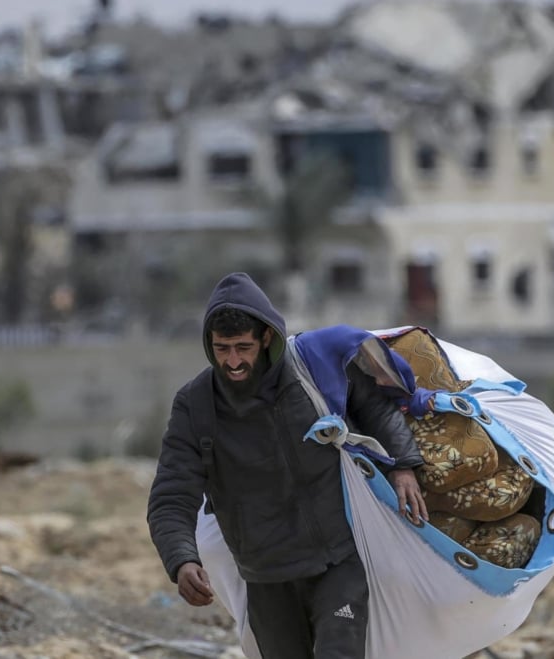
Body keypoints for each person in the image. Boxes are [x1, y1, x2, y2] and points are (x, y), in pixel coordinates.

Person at [148, 272, 428, 658]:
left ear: (266, 338)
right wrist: (181, 560)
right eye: (222, 348)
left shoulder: (309, 372)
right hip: (266, 579)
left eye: (243, 347)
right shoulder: (195, 406)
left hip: (336, 563)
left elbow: (374, 407)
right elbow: (171, 494)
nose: (232, 361)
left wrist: (403, 464)